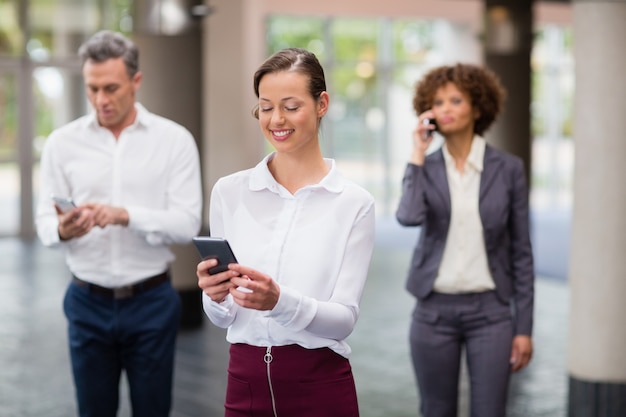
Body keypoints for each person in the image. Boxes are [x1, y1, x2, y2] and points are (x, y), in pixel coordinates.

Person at [196, 47, 376, 417]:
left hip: (322, 387)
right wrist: (215, 297)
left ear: (322, 103)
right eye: (265, 107)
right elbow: (224, 317)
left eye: (291, 106)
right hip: (244, 385)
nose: (276, 119)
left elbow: (344, 319)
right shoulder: (229, 193)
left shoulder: (354, 203)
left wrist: (279, 301)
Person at [35, 30, 202, 417]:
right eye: (92, 88)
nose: (101, 100)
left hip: (152, 303)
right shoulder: (62, 143)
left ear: (136, 81)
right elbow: (46, 221)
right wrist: (64, 229)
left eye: (111, 88)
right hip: (85, 302)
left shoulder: (174, 141)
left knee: (153, 410)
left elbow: (186, 224)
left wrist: (124, 215)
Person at [396, 63, 534, 417]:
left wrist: (523, 328)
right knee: (436, 410)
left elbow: (521, 252)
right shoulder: (424, 167)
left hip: (491, 314)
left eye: (455, 100)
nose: (445, 108)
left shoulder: (508, 169)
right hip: (432, 313)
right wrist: (416, 154)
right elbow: (408, 217)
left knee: (490, 411)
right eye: (437, 102)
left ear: (477, 107)